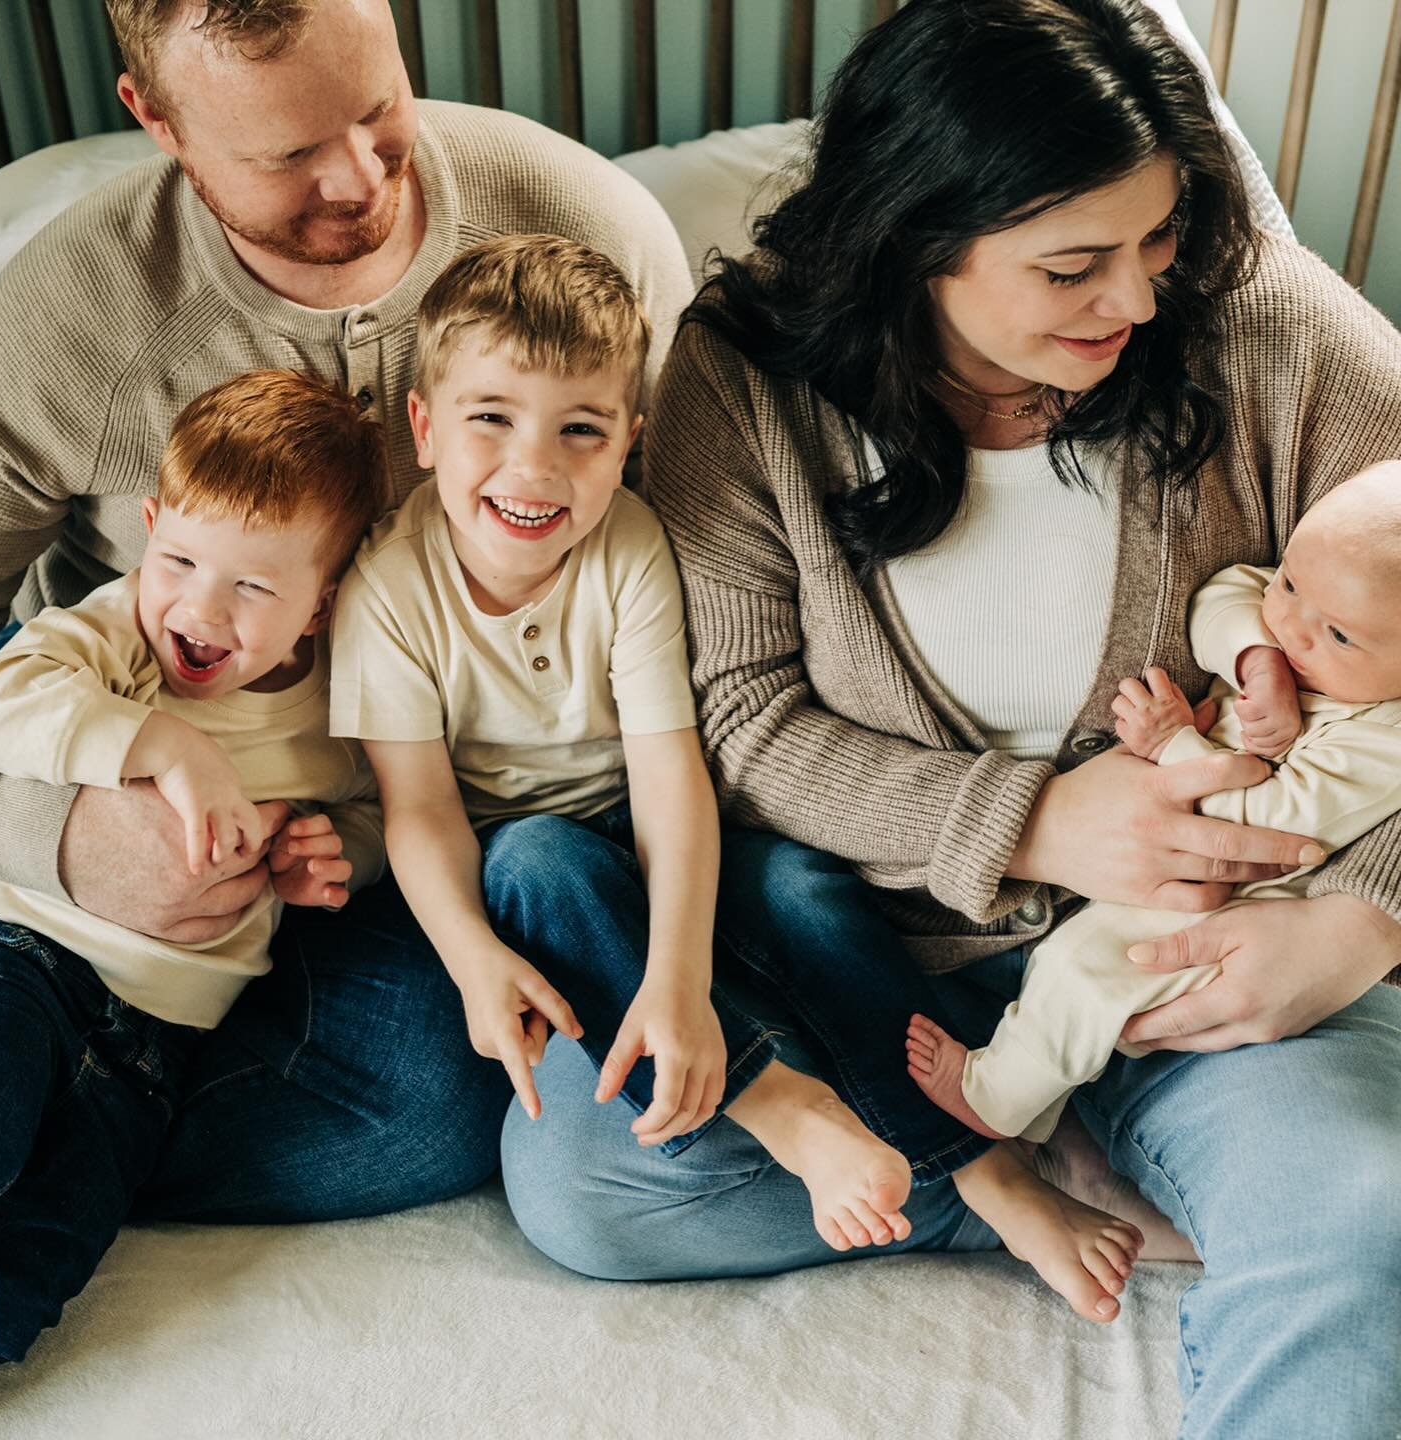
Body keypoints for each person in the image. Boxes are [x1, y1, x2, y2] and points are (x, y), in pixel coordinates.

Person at [496, 2, 1401, 1433]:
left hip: (1208, 956)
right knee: (586, 1186)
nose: (1138, 301)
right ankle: (1011, 1189)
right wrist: (1035, 824)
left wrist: (1365, 912)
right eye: (1074, 265)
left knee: (1361, 1221)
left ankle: (1137, 1166)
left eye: (1159, 244)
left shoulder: (1273, 334)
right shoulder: (744, 382)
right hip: (878, 961)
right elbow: (736, 720)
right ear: (921, 236)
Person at [0, 0, 692, 1226]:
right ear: (157, 120)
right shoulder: (64, 324)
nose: (358, 179)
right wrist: (49, 833)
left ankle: (71, 1139)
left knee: (452, 1095)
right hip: (94, 808)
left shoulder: (587, 230)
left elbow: (706, 568)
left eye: (377, 110)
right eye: (285, 154)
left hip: (374, 857)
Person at [334, 232, 1065, 1256]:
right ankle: (784, 1108)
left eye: (580, 430)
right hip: (528, 875)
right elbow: (419, 810)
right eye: (489, 419)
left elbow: (668, 775)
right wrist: (471, 961)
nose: (533, 467)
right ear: (423, 426)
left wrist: (678, 978)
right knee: (539, 859)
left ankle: (981, 1159)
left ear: (631, 440)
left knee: (802, 889)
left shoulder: (627, 543)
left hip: (659, 831)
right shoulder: (388, 591)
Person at [0, 369, 386, 1390]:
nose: (199, 607)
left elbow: (378, 810)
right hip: (20, 951)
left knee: (22, 1271)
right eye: (180, 559)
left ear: (322, 605)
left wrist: (337, 855)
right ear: (149, 526)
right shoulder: (118, 633)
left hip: (159, 1048)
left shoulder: (347, 705)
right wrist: (161, 744)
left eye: (252, 587)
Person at [907, 463, 1401, 1143]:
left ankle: (994, 1100)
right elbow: (1226, 593)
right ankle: (1045, 1116)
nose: (1292, 626)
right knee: (1073, 974)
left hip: (1238, 902)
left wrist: (1174, 745)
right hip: (1167, 868)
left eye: (1339, 635)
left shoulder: (1384, 741)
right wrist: (1256, 659)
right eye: (1289, 582)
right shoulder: (1307, 612)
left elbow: (1274, 823)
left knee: (1085, 974)